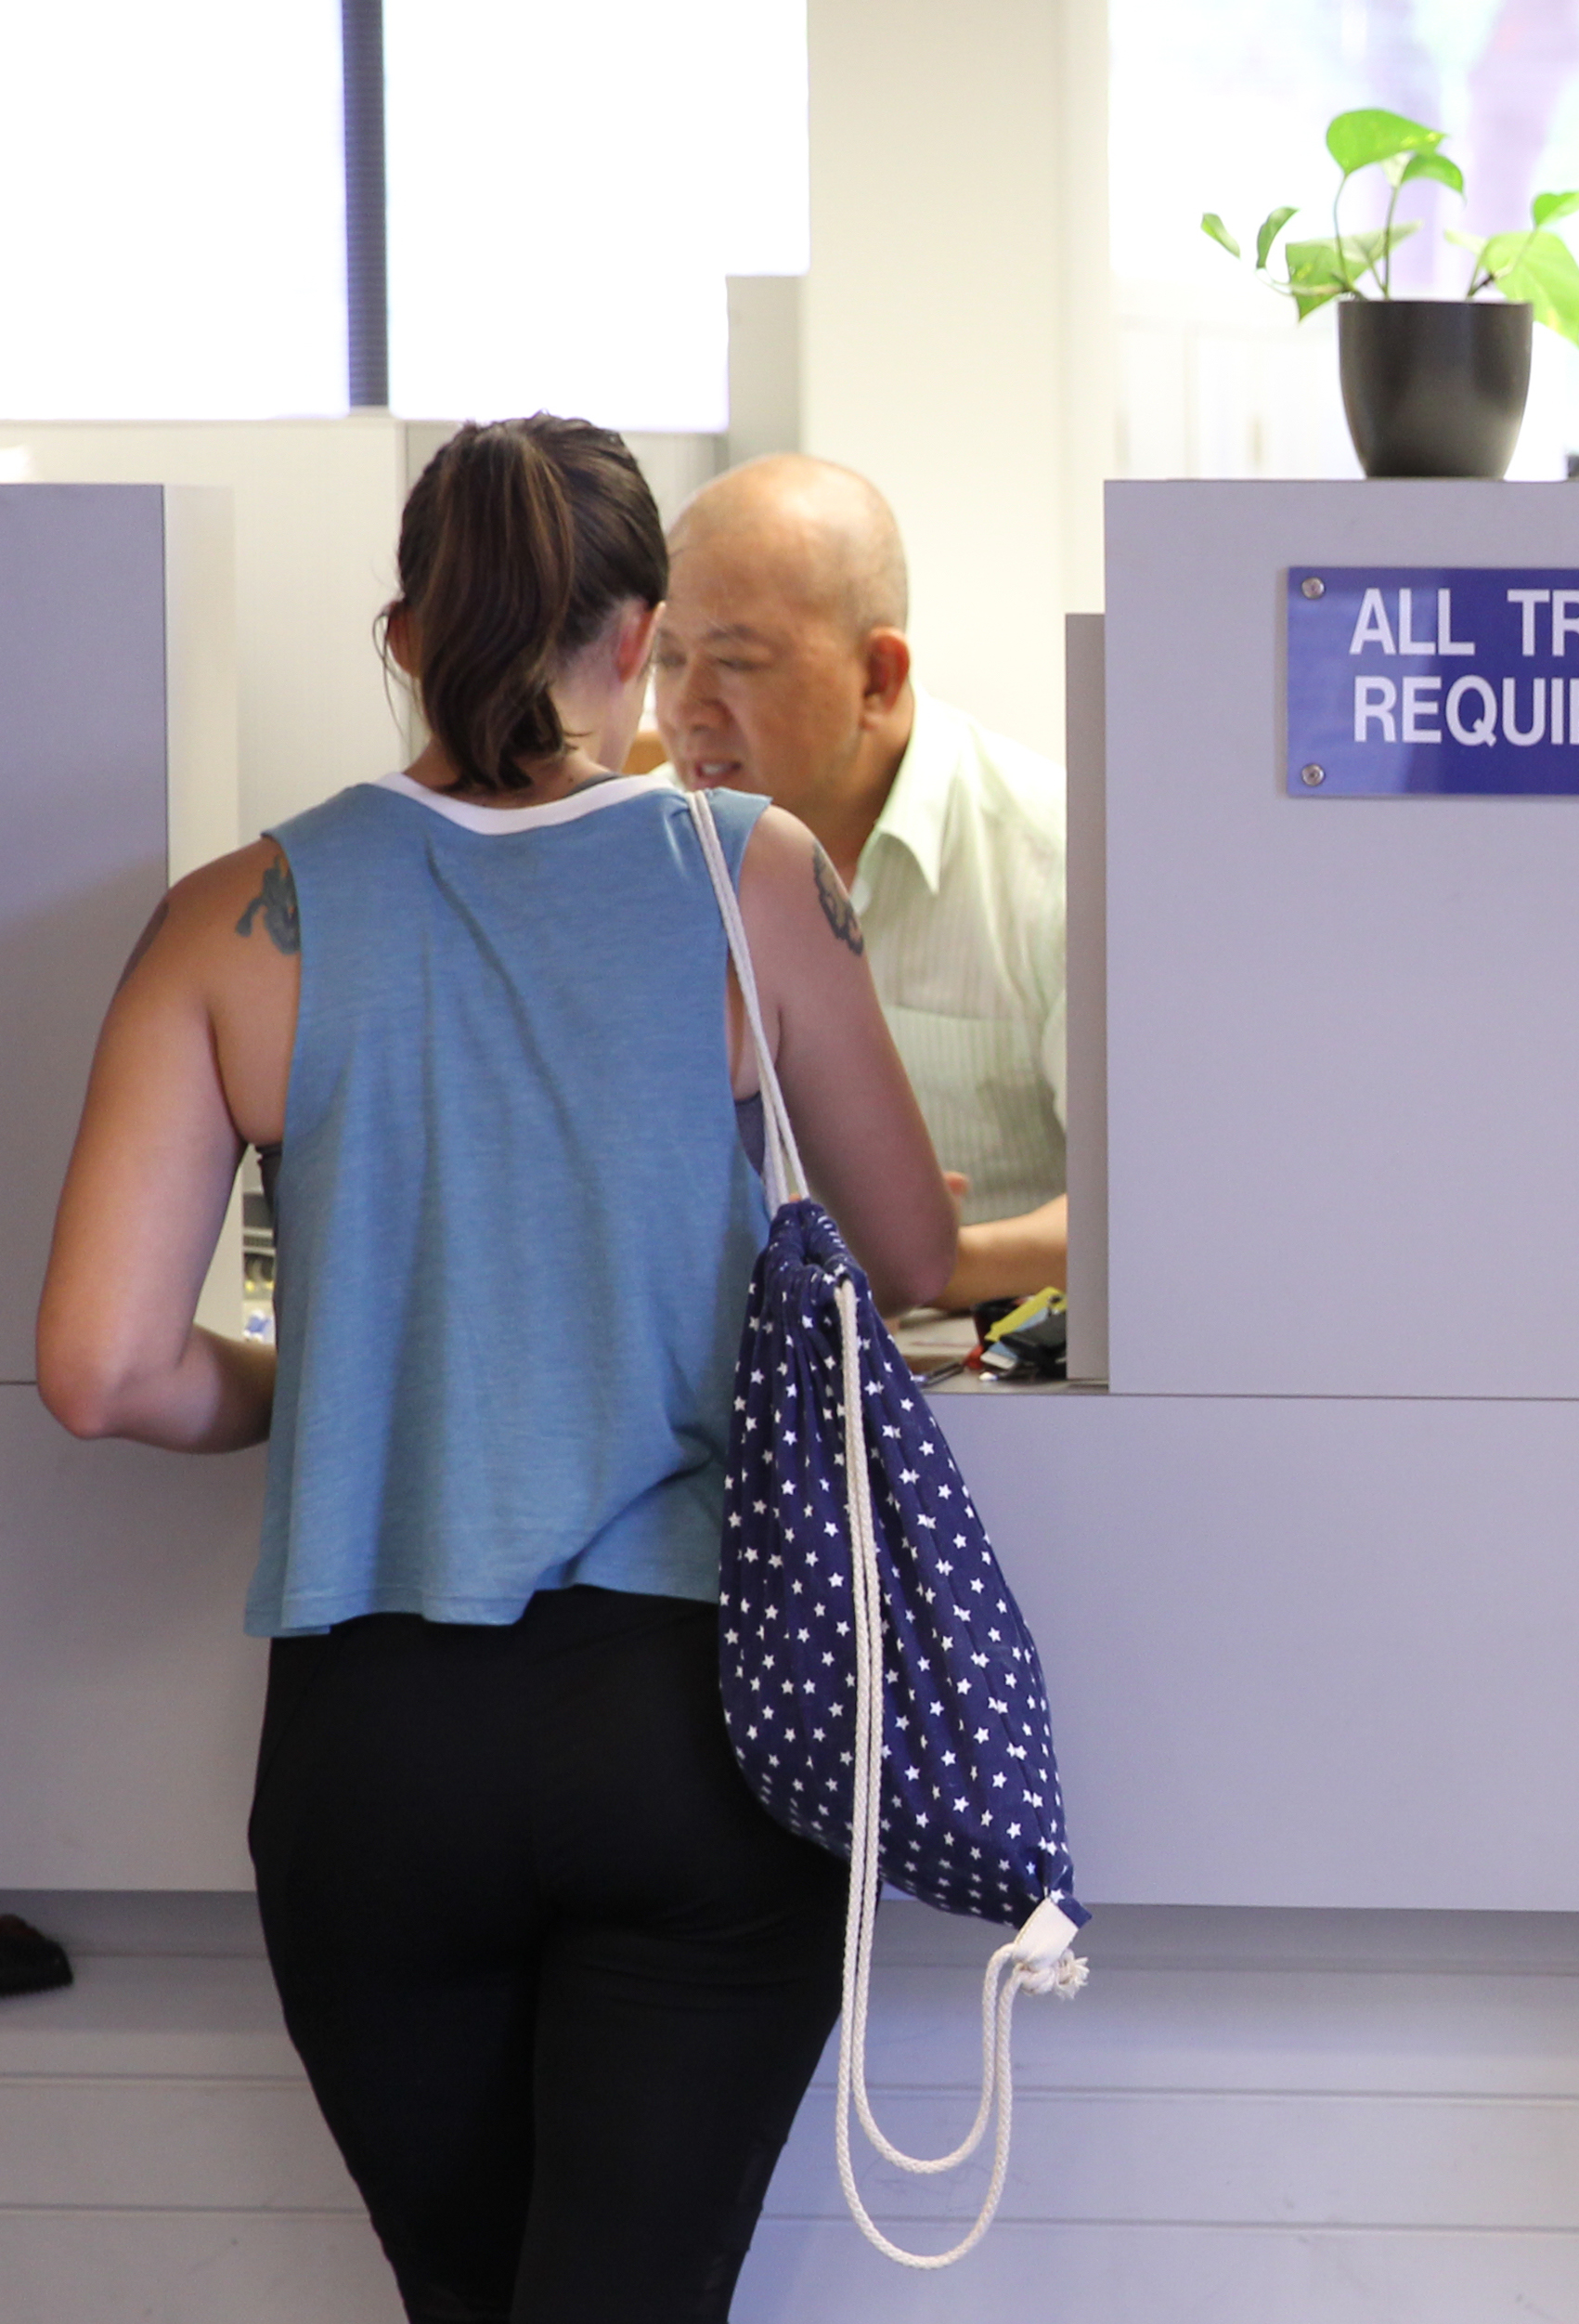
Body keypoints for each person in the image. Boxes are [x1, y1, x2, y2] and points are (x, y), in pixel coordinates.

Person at [35, 416, 956, 2321]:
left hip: (375, 1758)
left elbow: (103, 1371)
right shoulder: (753, 873)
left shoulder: (238, 914)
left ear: (403, 636)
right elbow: (915, 1253)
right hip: (693, 1727)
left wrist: (325, 1377)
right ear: (640, 639)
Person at [649, 454, 1068, 1311]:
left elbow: (1157, 1200)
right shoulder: (642, 854)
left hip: (985, 1381)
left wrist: (925, 1261)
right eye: (667, 656)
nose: (687, 708)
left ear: (878, 676)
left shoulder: (1057, 861)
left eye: (736, 661)